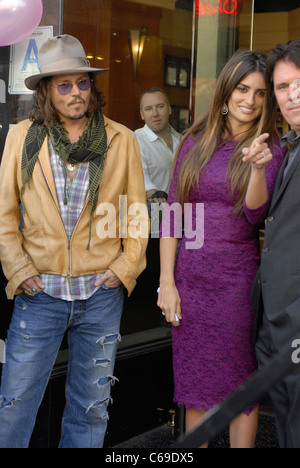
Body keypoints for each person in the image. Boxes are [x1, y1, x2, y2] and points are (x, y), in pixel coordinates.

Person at [0, 34, 148, 448]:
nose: (76, 92)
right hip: (40, 292)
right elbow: (4, 214)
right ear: (47, 91)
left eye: (82, 83)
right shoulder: (22, 137)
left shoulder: (121, 139)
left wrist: (123, 269)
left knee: (91, 407)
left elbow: (136, 216)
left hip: (100, 294)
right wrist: (19, 269)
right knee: (14, 404)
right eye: (64, 85)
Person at [157, 49, 286, 448]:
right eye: (243, 89)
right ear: (227, 90)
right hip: (189, 281)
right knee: (196, 384)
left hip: (236, 282)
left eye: (261, 93)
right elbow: (173, 215)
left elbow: (254, 216)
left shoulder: (271, 147)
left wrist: (259, 168)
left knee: (238, 385)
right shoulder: (194, 141)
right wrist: (166, 282)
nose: (250, 100)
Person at [251, 39, 300, 449]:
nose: (291, 95)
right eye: (282, 87)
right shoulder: (287, 148)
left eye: (299, 84)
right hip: (275, 321)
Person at [135, 88, 181, 204]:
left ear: (169, 109)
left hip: (182, 213)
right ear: (142, 114)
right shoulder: (135, 140)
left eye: (160, 106)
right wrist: (154, 194)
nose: (155, 114)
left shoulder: (182, 141)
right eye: (148, 109)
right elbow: (140, 177)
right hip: (151, 214)